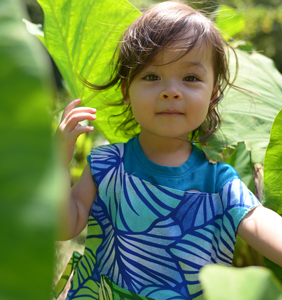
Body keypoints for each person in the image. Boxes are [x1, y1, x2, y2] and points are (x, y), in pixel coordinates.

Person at [56, 1, 282, 299]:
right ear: (126, 90)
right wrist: (58, 164)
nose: (171, 90)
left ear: (213, 93)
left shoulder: (218, 182)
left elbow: (258, 220)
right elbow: (65, 226)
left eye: (190, 78)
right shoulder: (107, 166)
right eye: (152, 76)